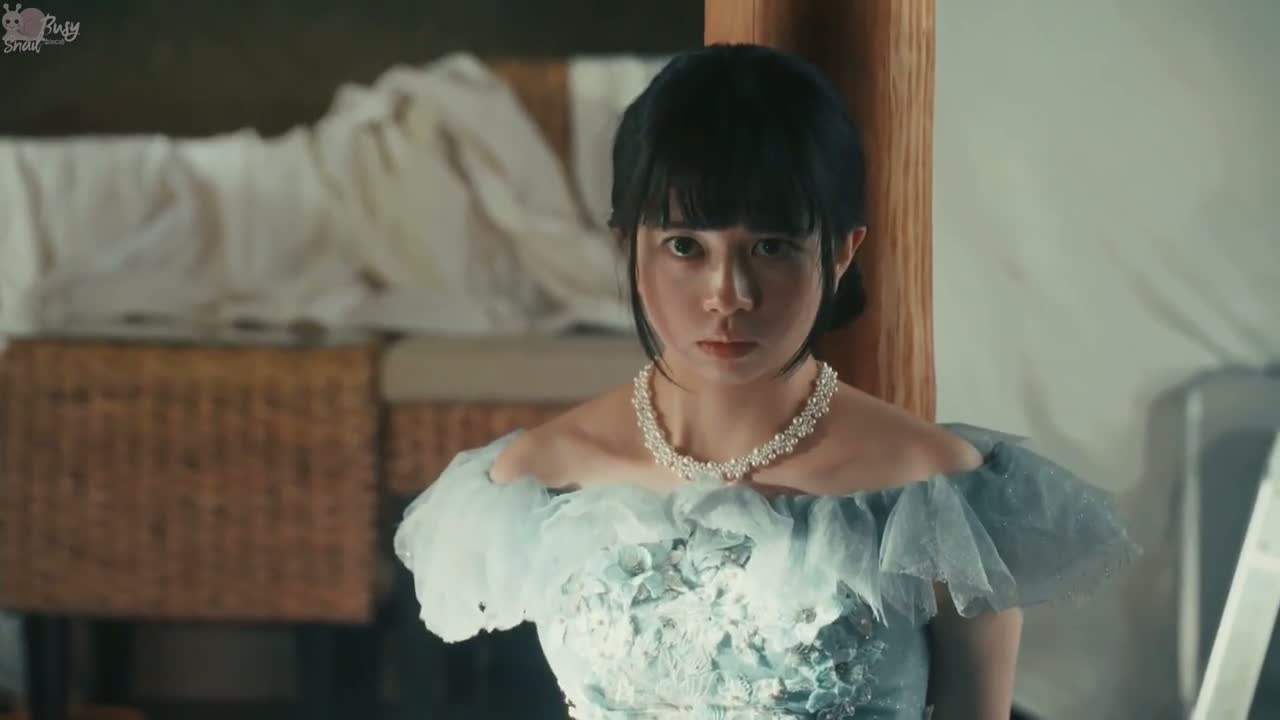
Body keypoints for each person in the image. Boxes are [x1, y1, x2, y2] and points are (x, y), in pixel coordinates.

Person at [394, 43, 1140, 719]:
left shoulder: (936, 492)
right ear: (628, 246)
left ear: (841, 252)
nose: (729, 295)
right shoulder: (537, 480)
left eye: (772, 247)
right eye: (686, 246)